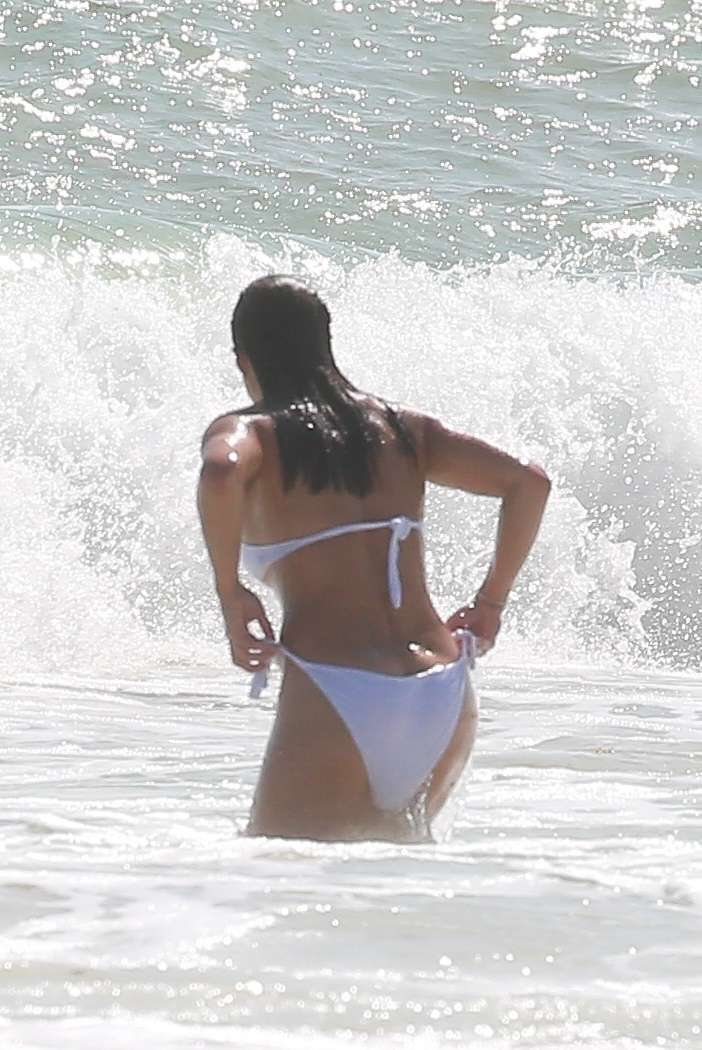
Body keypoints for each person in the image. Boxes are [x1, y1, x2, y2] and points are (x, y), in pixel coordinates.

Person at [197, 275, 550, 843]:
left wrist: (228, 591)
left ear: (244, 358)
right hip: (443, 690)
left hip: (340, 691)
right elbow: (529, 482)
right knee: (397, 882)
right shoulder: (404, 429)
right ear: (325, 345)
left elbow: (221, 470)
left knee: (278, 875)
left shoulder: (254, 432)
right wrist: (491, 603)